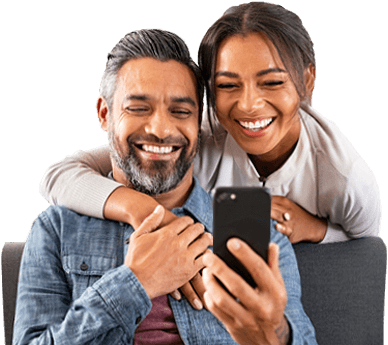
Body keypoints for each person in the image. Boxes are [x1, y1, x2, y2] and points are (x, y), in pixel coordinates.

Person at [14, 29, 317, 345]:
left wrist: (272, 333)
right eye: (139, 108)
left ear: (198, 124)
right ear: (105, 113)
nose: (160, 128)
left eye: (181, 111)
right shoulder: (57, 230)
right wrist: (135, 284)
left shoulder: (261, 234)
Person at [39, 2, 381, 246]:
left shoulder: (344, 175)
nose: (248, 105)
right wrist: (140, 208)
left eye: (272, 83)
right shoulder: (200, 136)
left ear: (307, 80)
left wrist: (316, 230)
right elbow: (60, 176)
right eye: (227, 85)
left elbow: (366, 248)